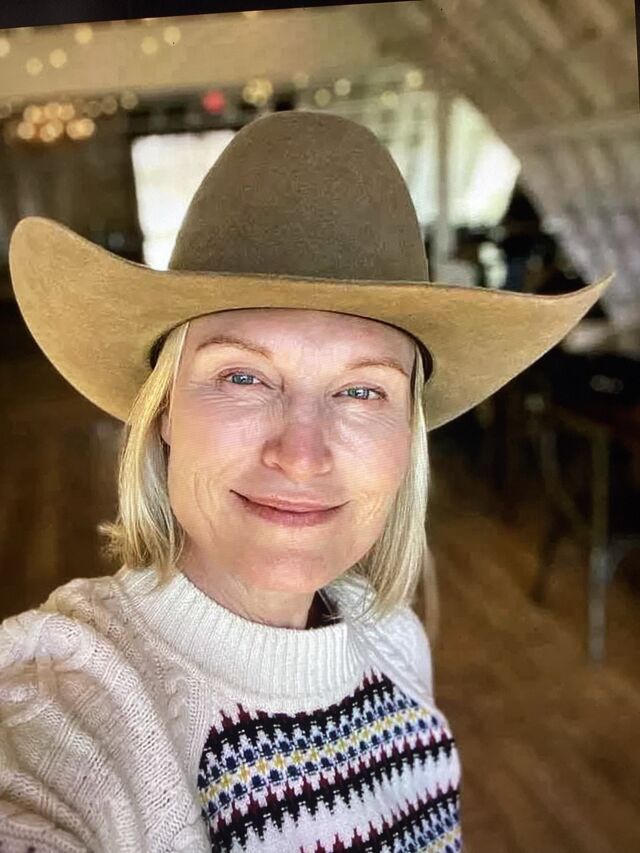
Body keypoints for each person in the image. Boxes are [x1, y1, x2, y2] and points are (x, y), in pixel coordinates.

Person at [0, 111, 612, 852]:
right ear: (163, 411)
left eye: (361, 391)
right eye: (243, 376)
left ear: (408, 434)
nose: (301, 455)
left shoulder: (393, 641)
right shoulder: (61, 710)